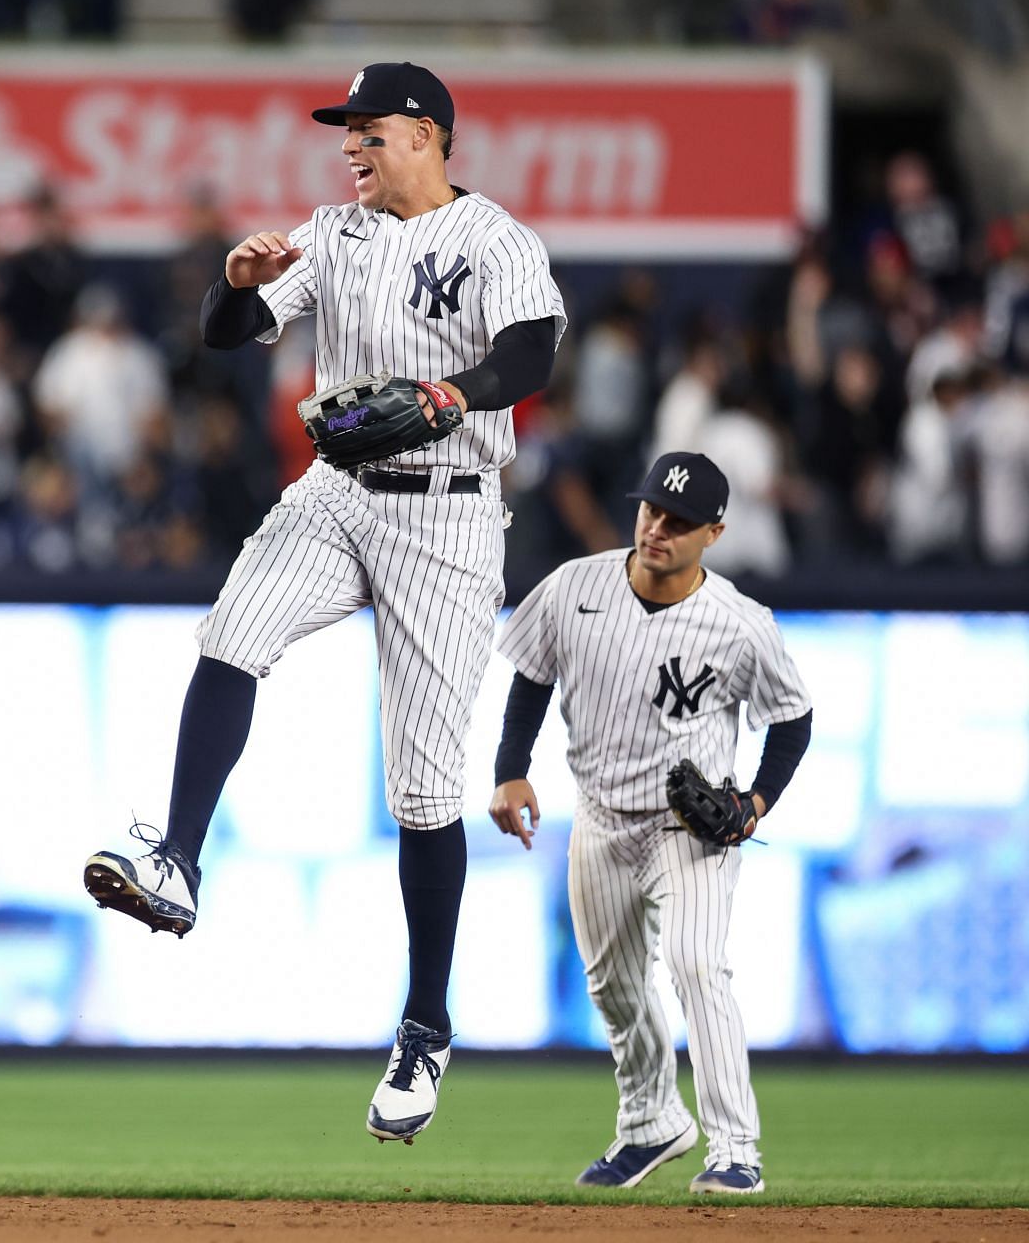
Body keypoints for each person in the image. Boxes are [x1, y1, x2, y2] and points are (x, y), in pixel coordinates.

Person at [81, 61, 565, 1144]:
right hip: (339, 491)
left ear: (430, 135)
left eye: (372, 129)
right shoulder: (333, 231)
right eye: (345, 131)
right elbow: (223, 333)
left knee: (426, 792)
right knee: (231, 632)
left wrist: (454, 393)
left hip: (449, 515)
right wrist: (238, 283)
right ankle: (178, 859)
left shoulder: (493, 238)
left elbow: (532, 348)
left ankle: (426, 1024)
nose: (352, 145)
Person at [487, 451, 814, 1195]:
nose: (658, 528)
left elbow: (793, 720)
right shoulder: (575, 587)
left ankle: (736, 1149)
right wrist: (511, 767)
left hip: (687, 829)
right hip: (599, 819)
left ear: (715, 533)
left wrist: (753, 805)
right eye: (651, 511)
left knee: (698, 964)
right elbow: (531, 676)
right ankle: (651, 1123)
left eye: (679, 521)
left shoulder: (739, 625)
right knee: (613, 986)